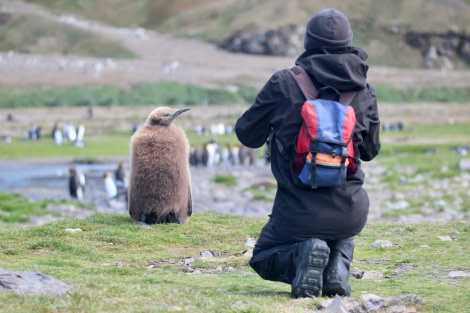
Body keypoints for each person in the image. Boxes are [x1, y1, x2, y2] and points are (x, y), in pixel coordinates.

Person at [235, 8, 381, 298]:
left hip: (296, 214)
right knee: (340, 227)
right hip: (349, 212)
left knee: (263, 256)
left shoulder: (283, 82)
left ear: (307, 42)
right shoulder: (364, 90)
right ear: (349, 42)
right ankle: (338, 258)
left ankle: (302, 256)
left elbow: (247, 135)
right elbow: (370, 151)